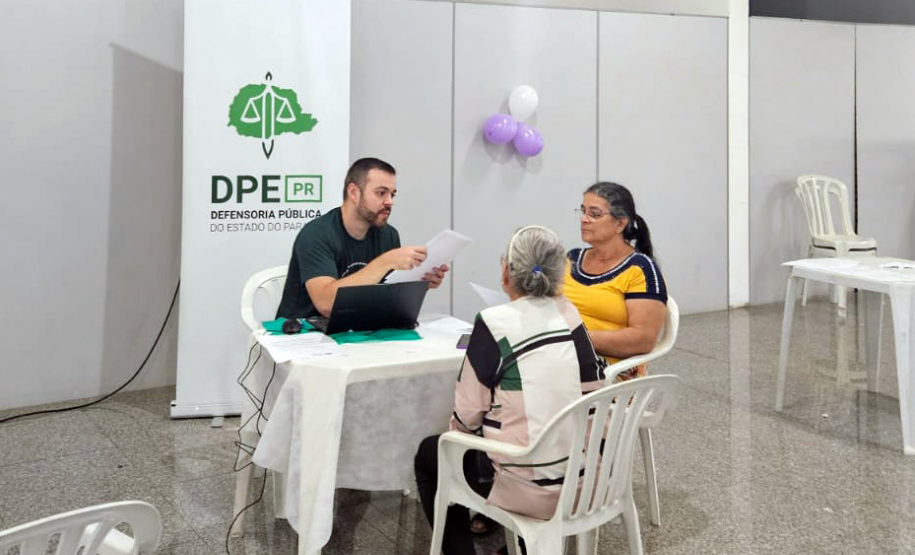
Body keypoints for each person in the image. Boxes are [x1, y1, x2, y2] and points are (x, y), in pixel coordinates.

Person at [414, 225, 605, 555]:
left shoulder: (493, 322)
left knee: (434, 452)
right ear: (559, 272)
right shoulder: (568, 313)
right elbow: (595, 389)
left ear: (506, 271)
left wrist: (461, 439)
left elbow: (467, 415)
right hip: (587, 482)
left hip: (528, 489)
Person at [276, 157, 448, 319]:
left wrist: (419, 283)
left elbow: (389, 296)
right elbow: (326, 304)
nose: (389, 202)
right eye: (381, 193)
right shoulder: (316, 234)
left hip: (356, 329)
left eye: (392, 194)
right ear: (353, 192)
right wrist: (385, 262)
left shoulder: (389, 235)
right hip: (303, 334)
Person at [564, 181, 668, 381]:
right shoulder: (573, 258)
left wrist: (575, 338)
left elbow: (643, 340)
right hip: (563, 357)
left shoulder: (641, 269)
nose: (584, 220)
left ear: (620, 224)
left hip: (608, 372)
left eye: (594, 214)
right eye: (583, 211)